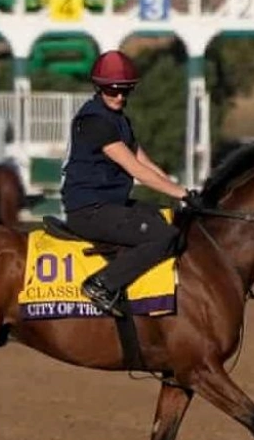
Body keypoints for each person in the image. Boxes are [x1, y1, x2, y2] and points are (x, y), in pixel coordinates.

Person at [60, 50, 192, 316]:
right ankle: (102, 284)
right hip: (89, 211)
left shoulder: (119, 119)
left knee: (161, 218)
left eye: (125, 91)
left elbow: (147, 164)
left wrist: (183, 192)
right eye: (112, 90)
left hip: (109, 205)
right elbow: (136, 171)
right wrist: (184, 194)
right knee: (164, 236)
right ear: (99, 87)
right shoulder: (95, 121)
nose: (119, 97)